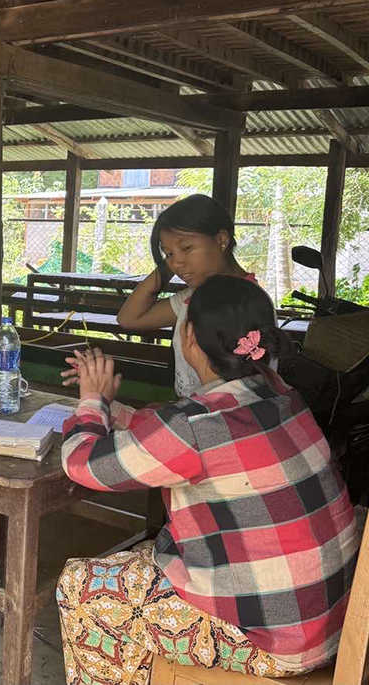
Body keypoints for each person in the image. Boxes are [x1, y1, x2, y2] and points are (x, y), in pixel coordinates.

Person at [56, 276, 358, 684]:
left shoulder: (195, 426)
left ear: (190, 337)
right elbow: (173, 430)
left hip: (271, 643)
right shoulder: (280, 393)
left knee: (82, 587)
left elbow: (81, 464)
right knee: (142, 561)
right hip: (331, 622)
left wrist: (90, 403)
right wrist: (111, 407)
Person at [117, 194, 268, 398]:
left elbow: (241, 393)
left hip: (224, 419)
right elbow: (129, 318)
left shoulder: (247, 302)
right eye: (168, 254)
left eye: (187, 248)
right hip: (197, 413)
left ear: (222, 239)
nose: (177, 263)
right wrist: (172, 263)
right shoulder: (195, 296)